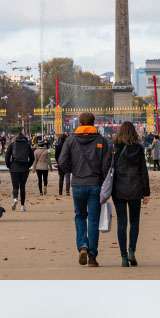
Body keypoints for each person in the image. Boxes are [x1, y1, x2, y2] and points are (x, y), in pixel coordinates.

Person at [56, 114, 112, 267]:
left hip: (78, 183)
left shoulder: (71, 140)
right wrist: (102, 178)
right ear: (94, 123)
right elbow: (107, 163)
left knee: (80, 216)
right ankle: (92, 255)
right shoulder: (101, 140)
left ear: (79, 123)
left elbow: (61, 161)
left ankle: (82, 246)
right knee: (93, 220)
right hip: (95, 183)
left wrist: (73, 171)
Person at [111, 121, 150, 268]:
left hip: (118, 188)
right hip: (135, 187)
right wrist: (146, 193)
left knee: (121, 222)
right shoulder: (138, 149)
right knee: (134, 222)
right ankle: (132, 251)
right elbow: (143, 172)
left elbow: (109, 169)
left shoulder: (114, 148)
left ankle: (123, 256)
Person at [5, 129, 33, 211]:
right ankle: (22, 206)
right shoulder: (27, 145)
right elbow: (32, 157)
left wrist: (9, 166)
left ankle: (15, 199)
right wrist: (28, 165)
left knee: (15, 186)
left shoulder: (12, 144)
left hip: (14, 168)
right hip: (24, 168)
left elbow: (7, 156)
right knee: (23, 187)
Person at [54, 130, 71, 196]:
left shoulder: (58, 146)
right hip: (67, 163)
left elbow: (56, 156)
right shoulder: (68, 146)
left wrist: (58, 161)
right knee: (68, 178)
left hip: (60, 163)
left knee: (61, 178)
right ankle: (67, 191)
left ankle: (60, 191)